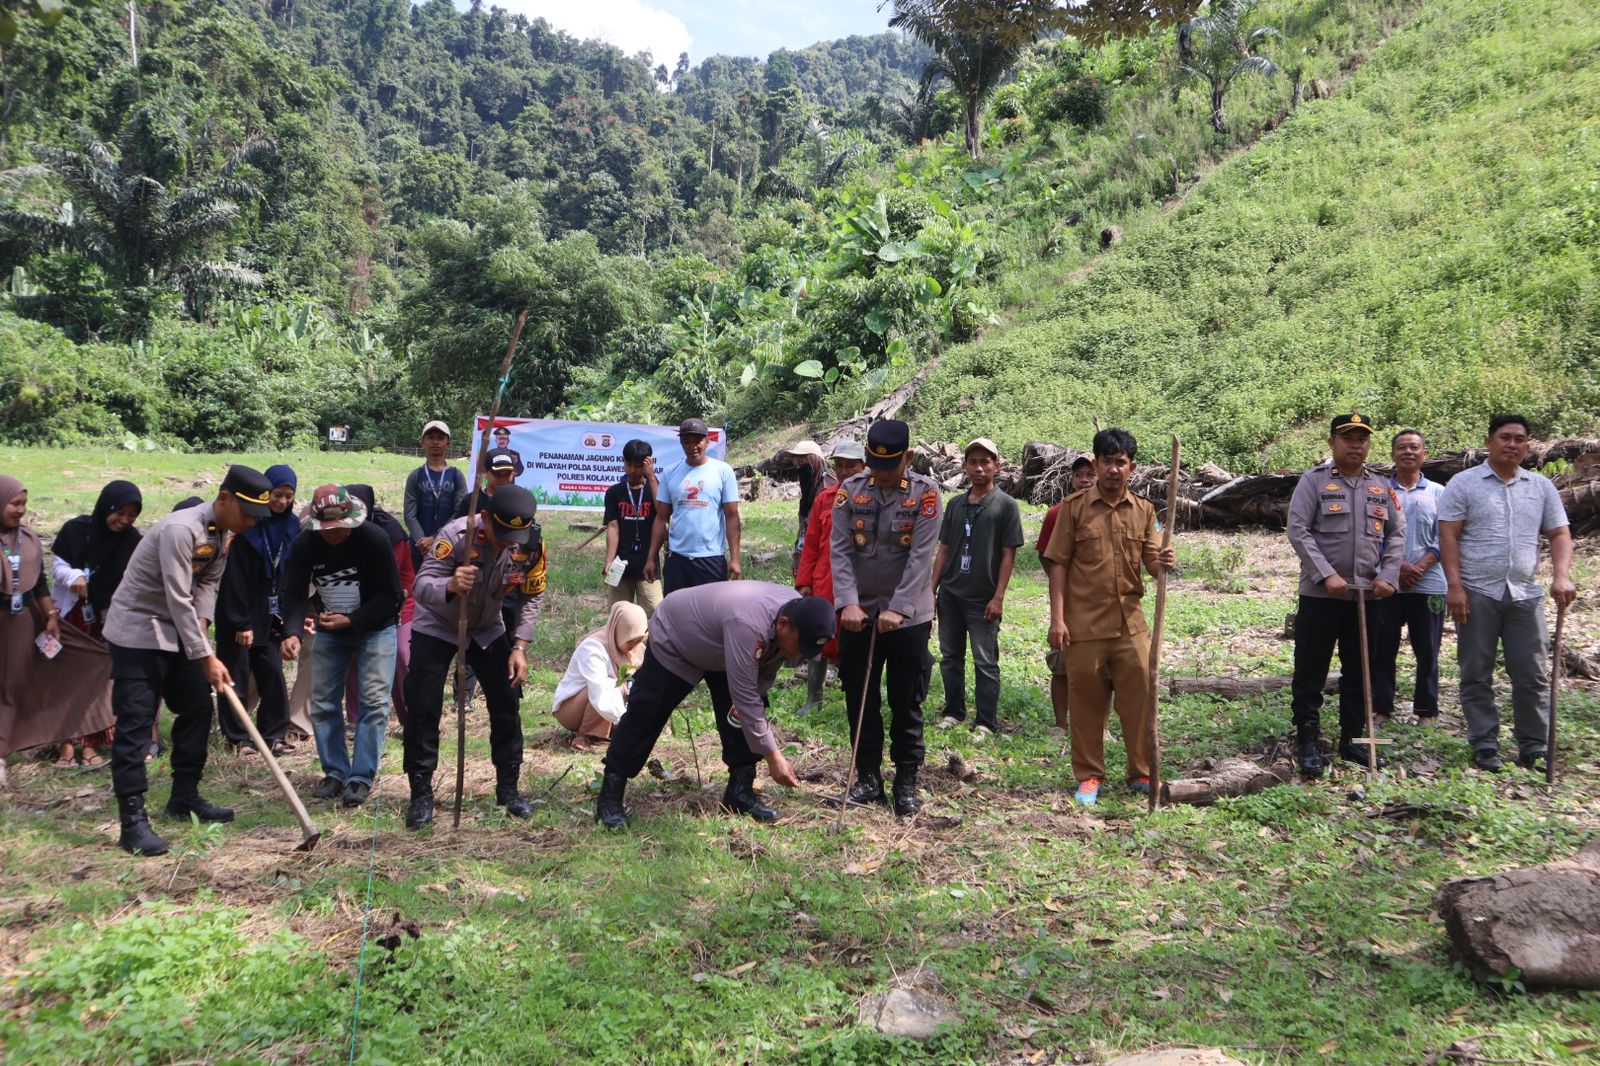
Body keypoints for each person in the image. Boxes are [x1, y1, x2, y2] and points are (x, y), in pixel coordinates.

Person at [103, 466, 273, 856]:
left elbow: (208, 585)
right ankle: (132, 822)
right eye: (246, 513)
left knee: (198, 706)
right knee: (136, 720)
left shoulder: (224, 534)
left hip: (178, 632)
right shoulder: (181, 529)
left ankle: (184, 797)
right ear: (225, 498)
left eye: (256, 517)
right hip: (137, 632)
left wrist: (200, 635)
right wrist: (206, 654)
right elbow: (178, 595)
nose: (251, 522)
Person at [594, 584, 834, 829]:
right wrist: (773, 757)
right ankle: (610, 794)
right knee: (647, 710)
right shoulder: (748, 624)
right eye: (801, 647)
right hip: (678, 635)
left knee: (742, 715)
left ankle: (739, 792)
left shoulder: (798, 613)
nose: (802, 656)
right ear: (783, 624)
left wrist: (757, 696)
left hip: (722, 641)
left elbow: (765, 671)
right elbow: (746, 696)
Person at [1044, 429, 1176, 806]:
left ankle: (1140, 772)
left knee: (1139, 700)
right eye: (1107, 461)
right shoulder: (1074, 509)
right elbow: (1057, 565)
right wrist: (1058, 619)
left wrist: (1163, 561)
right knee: (1085, 703)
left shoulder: (1145, 511)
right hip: (1084, 625)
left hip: (1130, 625)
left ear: (1131, 467)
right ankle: (1089, 776)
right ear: (1097, 463)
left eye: (1121, 462)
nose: (1113, 469)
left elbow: (1152, 564)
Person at [1439, 414, 1576, 773]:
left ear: (1528, 446)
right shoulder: (1463, 483)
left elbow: (1560, 534)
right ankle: (1485, 743)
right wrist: (1455, 587)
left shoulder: (1540, 486)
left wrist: (1561, 577)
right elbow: (1448, 536)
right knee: (1475, 671)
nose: (1512, 444)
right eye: (1504, 437)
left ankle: (1533, 746)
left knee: (1531, 673)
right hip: (1476, 591)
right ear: (1489, 442)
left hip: (1525, 593)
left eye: (1519, 439)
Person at [402, 485, 543, 828]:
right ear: (485, 518)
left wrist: (520, 646)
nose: (509, 542)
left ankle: (508, 788)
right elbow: (422, 587)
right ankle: (421, 794)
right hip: (437, 625)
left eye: (516, 534)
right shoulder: (455, 535)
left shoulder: (531, 544)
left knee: (506, 700)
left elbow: (532, 595)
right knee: (424, 705)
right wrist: (450, 585)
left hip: (487, 627)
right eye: (502, 532)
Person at [830, 419, 941, 817]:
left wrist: (899, 608)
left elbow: (920, 557)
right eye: (874, 466)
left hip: (908, 618)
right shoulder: (850, 492)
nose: (879, 475)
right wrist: (848, 602)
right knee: (860, 697)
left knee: (905, 698)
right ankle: (868, 778)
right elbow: (840, 551)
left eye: (889, 466)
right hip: (859, 615)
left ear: (908, 458)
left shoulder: (926, 496)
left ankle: (906, 780)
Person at [1285, 414, 1405, 777]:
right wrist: (1326, 575)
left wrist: (1388, 575)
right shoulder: (1314, 482)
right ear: (1332, 442)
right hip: (1322, 597)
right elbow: (1298, 530)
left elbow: (1396, 535)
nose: (1355, 444)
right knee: (1311, 670)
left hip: (1368, 598)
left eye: (1362, 438)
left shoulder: (1382, 486)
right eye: (1347, 437)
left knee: (1360, 670)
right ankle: (1307, 738)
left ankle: (1351, 739)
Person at [279, 485, 402, 808]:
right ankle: (335, 772)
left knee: (374, 703)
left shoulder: (374, 539)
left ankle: (360, 777)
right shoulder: (305, 544)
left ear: (351, 520)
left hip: (376, 628)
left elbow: (391, 596)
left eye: (339, 529)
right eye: (326, 530)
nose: (332, 535)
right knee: (323, 703)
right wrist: (291, 632)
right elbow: (292, 592)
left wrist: (353, 620)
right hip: (330, 631)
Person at [0, 475, 116, 772]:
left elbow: (38, 583)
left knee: (16, 682)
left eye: (24, 503)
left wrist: (51, 616)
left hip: (23, 620)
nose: (21, 510)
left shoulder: (27, 539)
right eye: (15, 503)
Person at [934, 438, 1025, 740]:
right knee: (950, 656)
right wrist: (931, 588)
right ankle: (953, 712)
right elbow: (944, 549)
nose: (979, 467)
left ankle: (986, 721)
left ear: (997, 466)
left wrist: (998, 596)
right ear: (965, 466)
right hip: (951, 593)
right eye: (973, 461)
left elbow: (1008, 554)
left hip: (983, 598)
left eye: (986, 461)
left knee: (985, 661)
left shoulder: (1006, 506)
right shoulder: (956, 504)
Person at [49, 479, 143, 768]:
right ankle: (65, 743)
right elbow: (57, 565)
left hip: (106, 620)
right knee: (67, 678)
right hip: (72, 617)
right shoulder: (77, 530)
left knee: (97, 682)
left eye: (131, 515)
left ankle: (91, 743)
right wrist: (73, 576)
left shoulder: (132, 541)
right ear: (106, 506)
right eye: (120, 513)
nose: (124, 520)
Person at [215, 464, 297, 758]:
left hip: (271, 615)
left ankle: (273, 735)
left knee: (273, 674)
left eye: (289, 497)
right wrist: (241, 623)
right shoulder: (249, 525)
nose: (282, 502)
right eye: (277, 495)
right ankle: (238, 738)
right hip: (241, 614)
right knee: (236, 675)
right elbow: (234, 579)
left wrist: (289, 623)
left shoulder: (292, 527)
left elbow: (292, 576)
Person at [1372, 430, 1447, 726]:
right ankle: (1381, 708)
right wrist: (1399, 566)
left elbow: (1448, 536)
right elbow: (1372, 535)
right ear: (1392, 455)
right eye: (1401, 448)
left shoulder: (1439, 493)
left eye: (1414, 447)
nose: (1408, 452)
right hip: (1387, 583)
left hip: (1430, 585)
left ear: (1424, 454)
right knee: (1382, 647)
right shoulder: (1377, 492)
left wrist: (1422, 565)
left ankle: (1426, 711)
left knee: (1428, 649)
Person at [793, 440, 866, 715]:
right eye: (840, 466)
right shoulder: (824, 499)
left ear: (864, 466)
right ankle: (814, 697)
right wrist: (804, 581)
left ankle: (855, 696)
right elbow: (811, 543)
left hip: (860, 583)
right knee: (819, 636)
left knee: (855, 639)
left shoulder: (872, 499)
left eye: (852, 466)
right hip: (825, 580)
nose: (845, 472)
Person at [344, 484, 415, 726]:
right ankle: (354, 719)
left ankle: (411, 721)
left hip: (399, 599)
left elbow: (387, 580)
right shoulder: (342, 528)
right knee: (353, 653)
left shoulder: (389, 533)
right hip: (356, 600)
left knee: (401, 655)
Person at [645, 417, 742, 594]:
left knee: (709, 616)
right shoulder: (670, 473)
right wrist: (651, 558)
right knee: (676, 615)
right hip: (677, 559)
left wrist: (735, 559)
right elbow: (661, 518)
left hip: (710, 559)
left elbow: (732, 516)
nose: (693, 446)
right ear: (681, 442)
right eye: (687, 441)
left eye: (698, 441)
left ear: (708, 441)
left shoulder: (723, 471)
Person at [1036, 456, 1096, 735]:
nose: (1085, 479)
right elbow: (1045, 556)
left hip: (1102, 602)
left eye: (1090, 474)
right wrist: (1062, 587)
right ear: (1071, 480)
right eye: (1079, 475)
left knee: (1101, 667)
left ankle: (1101, 725)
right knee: (1061, 664)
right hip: (1069, 602)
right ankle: (1061, 724)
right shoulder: (1056, 514)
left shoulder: (1110, 512)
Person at [551, 601, 649, 751]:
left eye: (639, 639)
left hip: (606, 706)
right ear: (620, 630)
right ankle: (584, 735)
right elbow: (599, 690)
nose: (635, 645)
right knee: (610, 684)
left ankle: (607, 731)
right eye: (631, 639)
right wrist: (625, 722)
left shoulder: (635, 649)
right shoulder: (593, 648)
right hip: (571, 709)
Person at [603, 440, 662, 618]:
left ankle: (648, 645)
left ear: (648, 463)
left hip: (648, 563)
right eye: (629, 465)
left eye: (638, 465)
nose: (633, 470)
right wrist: (609, 560)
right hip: (620, 563)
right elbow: (613, 527)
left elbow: (662, 512)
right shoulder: (614, 492)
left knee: (655, 610)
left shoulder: (655, 490)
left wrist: (651, 477)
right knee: (617, 613)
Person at [404, 419, 468, 564]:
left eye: (440, 438)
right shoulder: (415, 476)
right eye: (431, 438)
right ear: (423, 442)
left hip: (448, 543)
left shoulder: (456, 475)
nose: (435, 442)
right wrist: (423, 543)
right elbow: (409, 515)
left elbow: (460, 513)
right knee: (417, 584)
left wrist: (436, 538)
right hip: (418, 546)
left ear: (448, 443)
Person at [783, 439, 827, 574]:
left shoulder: (828, 489)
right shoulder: (810, 488)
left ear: (813, 461)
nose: (798, 468)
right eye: (796, 465)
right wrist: (798, 557)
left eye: (801, 463)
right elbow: (805, 525)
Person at [455, 448, 518, 517]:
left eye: (507, 474)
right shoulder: (471, 501)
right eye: (497, 474)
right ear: (484, 473)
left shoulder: (517, 502)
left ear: (513, 474)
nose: (503, 479)